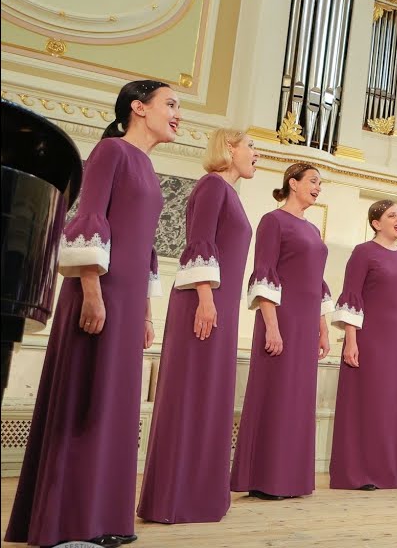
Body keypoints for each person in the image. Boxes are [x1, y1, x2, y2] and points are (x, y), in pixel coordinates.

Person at [6, 80, 179, 548]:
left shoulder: (147, 168)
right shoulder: (111, 152)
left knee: (112, 405)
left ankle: (103, 518)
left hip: (128, 302)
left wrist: (146, 314)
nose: (177, 114)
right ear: (138, 108)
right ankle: (68, 523)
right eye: (170, 104)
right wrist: (91, 291)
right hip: (98, 294)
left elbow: (143, 249)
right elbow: (89, 221)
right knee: (85, 398)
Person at [138, 129, 258, 524]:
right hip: (203, 303)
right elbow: (200, 241)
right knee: (190, 394)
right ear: (229, 148)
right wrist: (206, 299)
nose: (256, 154)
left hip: (218, 305)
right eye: (251, 146)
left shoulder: (230, 193)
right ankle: (173, 499)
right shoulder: (212, 185)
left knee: (209, 396)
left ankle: (198, 496)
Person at [230, 162, 333, 500]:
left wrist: (322, 329)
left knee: (298, 397)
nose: (318, 187)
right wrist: (271, 327)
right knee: (276, 393)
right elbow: (264, 273)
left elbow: (317, 283)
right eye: (313, 181)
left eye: (320, 183)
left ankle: (291, 478)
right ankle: (265, 478)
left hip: (306, 324)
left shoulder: (313, 230)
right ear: (293, 183)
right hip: (282, 319)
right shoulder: (273, 221)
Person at [328, 201, 397, 490]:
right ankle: (361, 473)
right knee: (368, 403)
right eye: (391, 215)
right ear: (376, 223)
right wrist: (351, 341)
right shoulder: (363, 252)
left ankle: (389, 471)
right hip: (369, 339)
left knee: (391, 405)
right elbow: (352, 296)